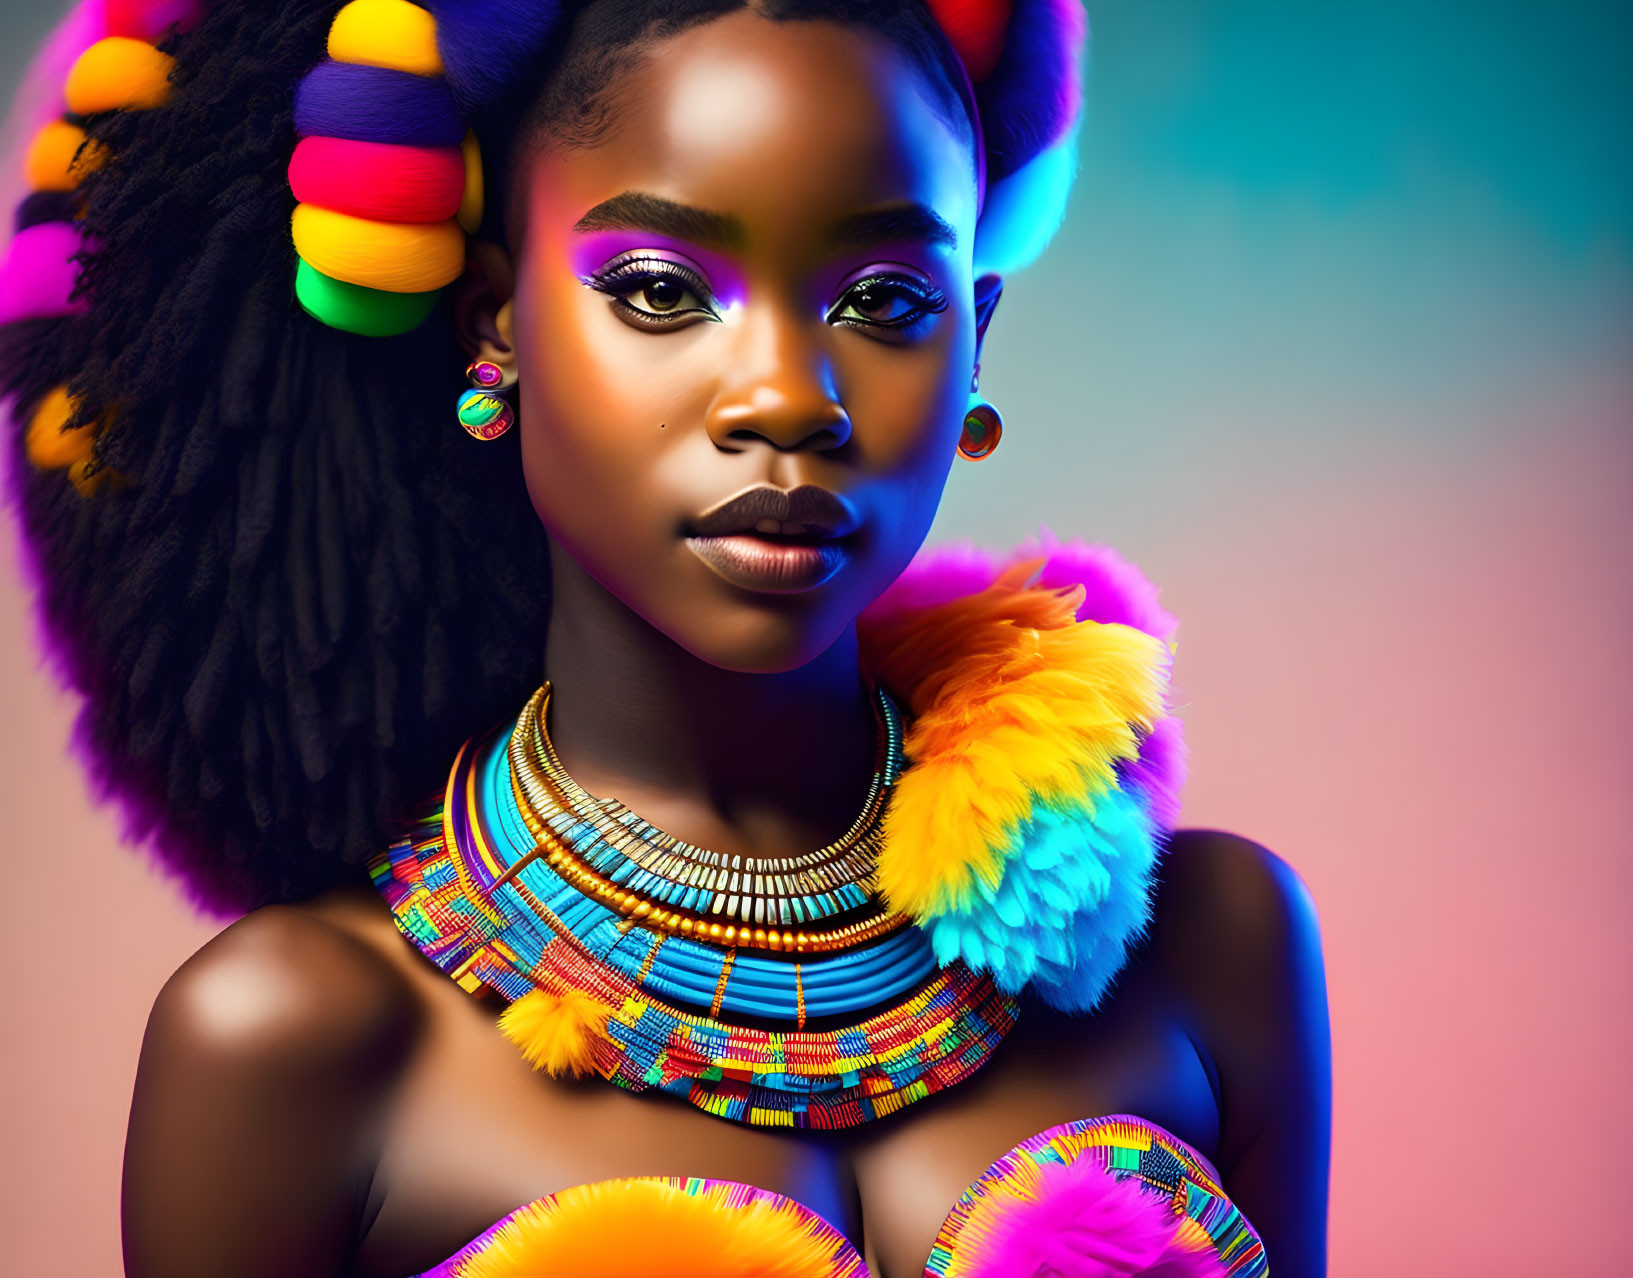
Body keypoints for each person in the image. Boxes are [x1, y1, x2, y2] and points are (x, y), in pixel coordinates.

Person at [0, 1, 1331, 1275]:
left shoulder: (1211, 949)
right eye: (657, 289)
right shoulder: (294, 1047)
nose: (783, 399)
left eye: (880, 301)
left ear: (976, 338)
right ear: (496, 323)